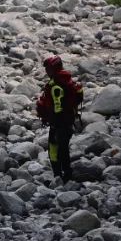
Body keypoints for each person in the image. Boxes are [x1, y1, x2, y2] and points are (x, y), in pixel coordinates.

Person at [35, 55, 83, 183]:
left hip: (60, 123)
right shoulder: (67, 80)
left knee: (55, 149)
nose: (46, 72)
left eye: (48, 69)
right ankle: (66, 173)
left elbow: (57, 108)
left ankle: (59, 175)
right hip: (68, 121)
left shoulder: (55, 85)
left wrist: (55, 123)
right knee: (63, 149)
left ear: (53, 69)